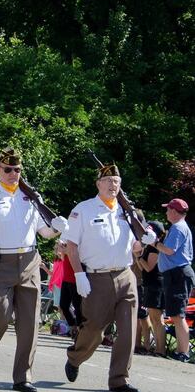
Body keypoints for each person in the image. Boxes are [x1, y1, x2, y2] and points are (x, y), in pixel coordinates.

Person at [0, 148, 66, 392]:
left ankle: (23, 377)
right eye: (8, 169)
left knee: (29, 323)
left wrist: (58, 228)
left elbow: (44, 231)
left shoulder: (31, 198)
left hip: (30, 261)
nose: (13, 174)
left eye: (17, 170)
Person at [61, 164, 151, 392]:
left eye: (117, 182)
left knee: (128, 331)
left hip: (125, 275)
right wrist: (79, 274)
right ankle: (75, 357)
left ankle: (119, 380)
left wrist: (144, 243)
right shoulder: (84, 209)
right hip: (96, 278)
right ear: (98, 184)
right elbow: (71, 246)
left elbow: (134, 247)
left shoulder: (127, 212)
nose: (114, 185)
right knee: (94, 331)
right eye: (109, 181)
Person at [151, 198, 193, 362]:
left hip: (178, 273)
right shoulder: (179, 227)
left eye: (168, 209)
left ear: (175, 211)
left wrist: (154, 243)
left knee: (177, 315)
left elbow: (169, 250)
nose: (166, 212)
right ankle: (182, 351)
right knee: (176, 314)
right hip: (177, 273)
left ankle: (183, 352)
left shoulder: (177, 227)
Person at [134, 220, 166, 356]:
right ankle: (157, 348)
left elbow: (148, 267)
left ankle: (160, 349)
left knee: (157, 319)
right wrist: (138, 257)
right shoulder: (148, 246)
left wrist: (139, 256)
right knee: (153, 318)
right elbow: (142, 268)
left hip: (156, 284)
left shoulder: (154, 248)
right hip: (149, 284)